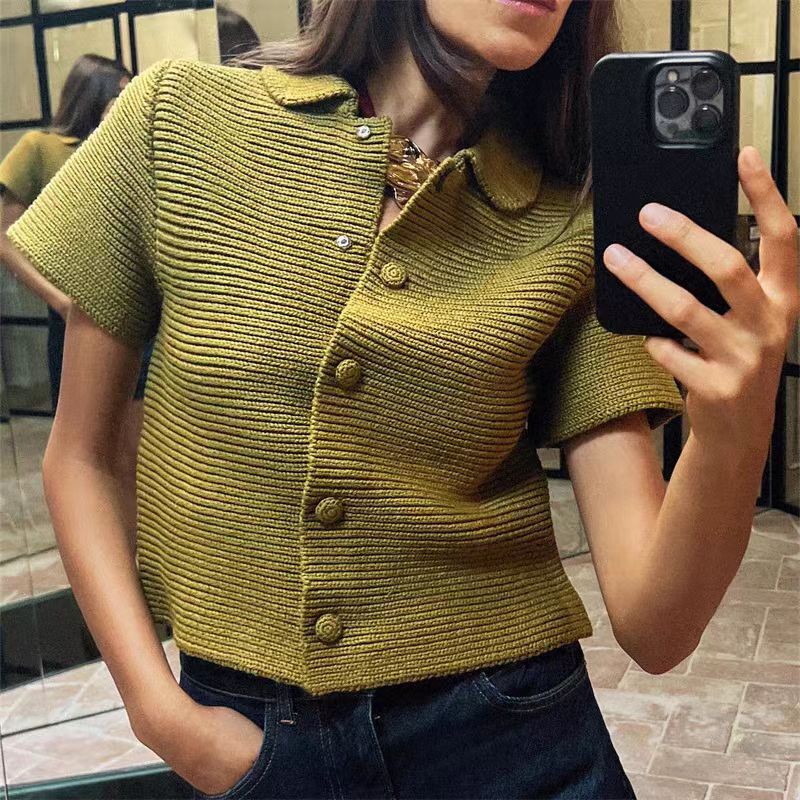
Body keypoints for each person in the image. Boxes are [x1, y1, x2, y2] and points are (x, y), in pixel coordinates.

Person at [3, 1, 798, 798]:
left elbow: (656, 628)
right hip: (245, 738)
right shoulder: (177, 120)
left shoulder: (572, 215)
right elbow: (82, 459)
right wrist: (162, 716)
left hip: (515, 740)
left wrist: (734, 433)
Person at [0, 53, 151, 541]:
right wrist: (59, 300)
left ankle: (140, 557)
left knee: (143, 451)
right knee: (93, 449)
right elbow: (4, 237)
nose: (127, 101)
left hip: (141, 316)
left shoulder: (124, 148)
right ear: (94, 94)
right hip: (78, 316)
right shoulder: (41, 148)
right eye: (119, 92)